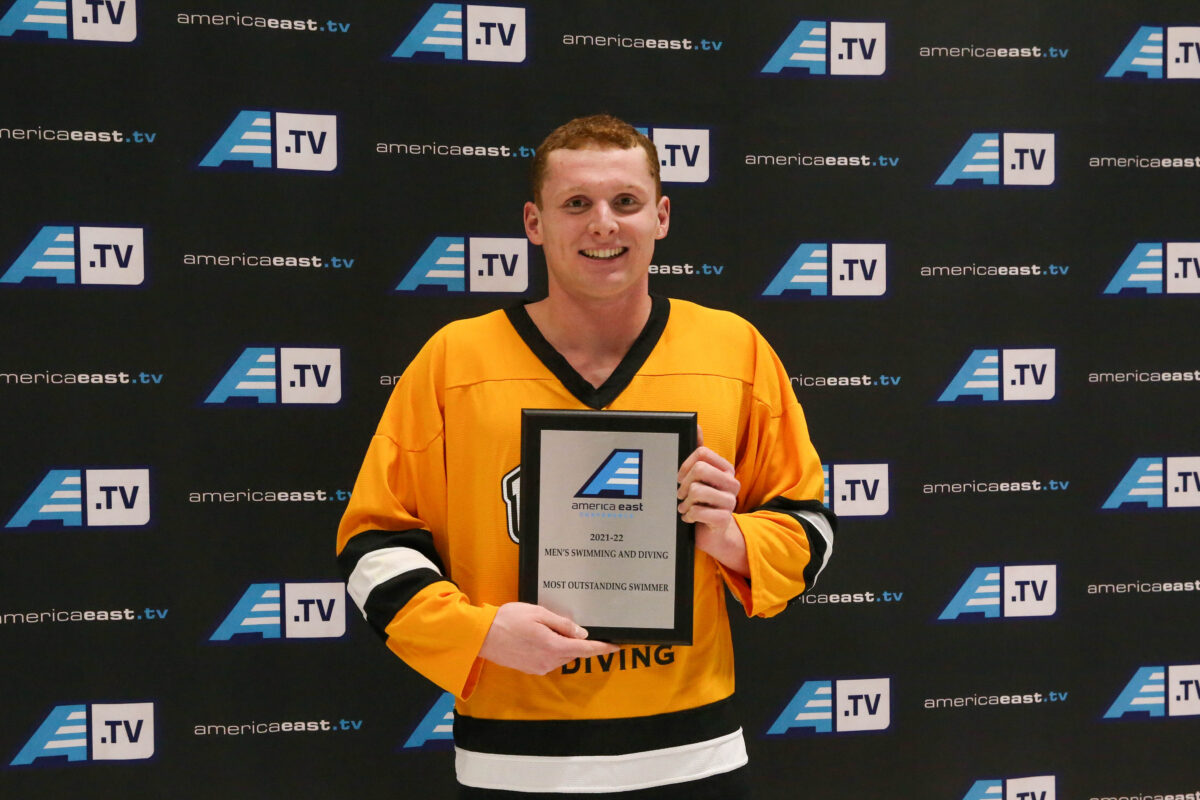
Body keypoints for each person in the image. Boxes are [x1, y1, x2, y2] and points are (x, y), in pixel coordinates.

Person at [336, 114, 835, 798]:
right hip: (511, 761)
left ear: (660, 216)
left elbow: (811, 528)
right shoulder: (456, 361)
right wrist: (480, 633)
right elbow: (373, 544)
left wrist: (730, 536)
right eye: (577, 204)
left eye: (625, 202)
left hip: (694, 757)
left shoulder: (735, 352)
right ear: (535, 223)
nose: (603, 224)